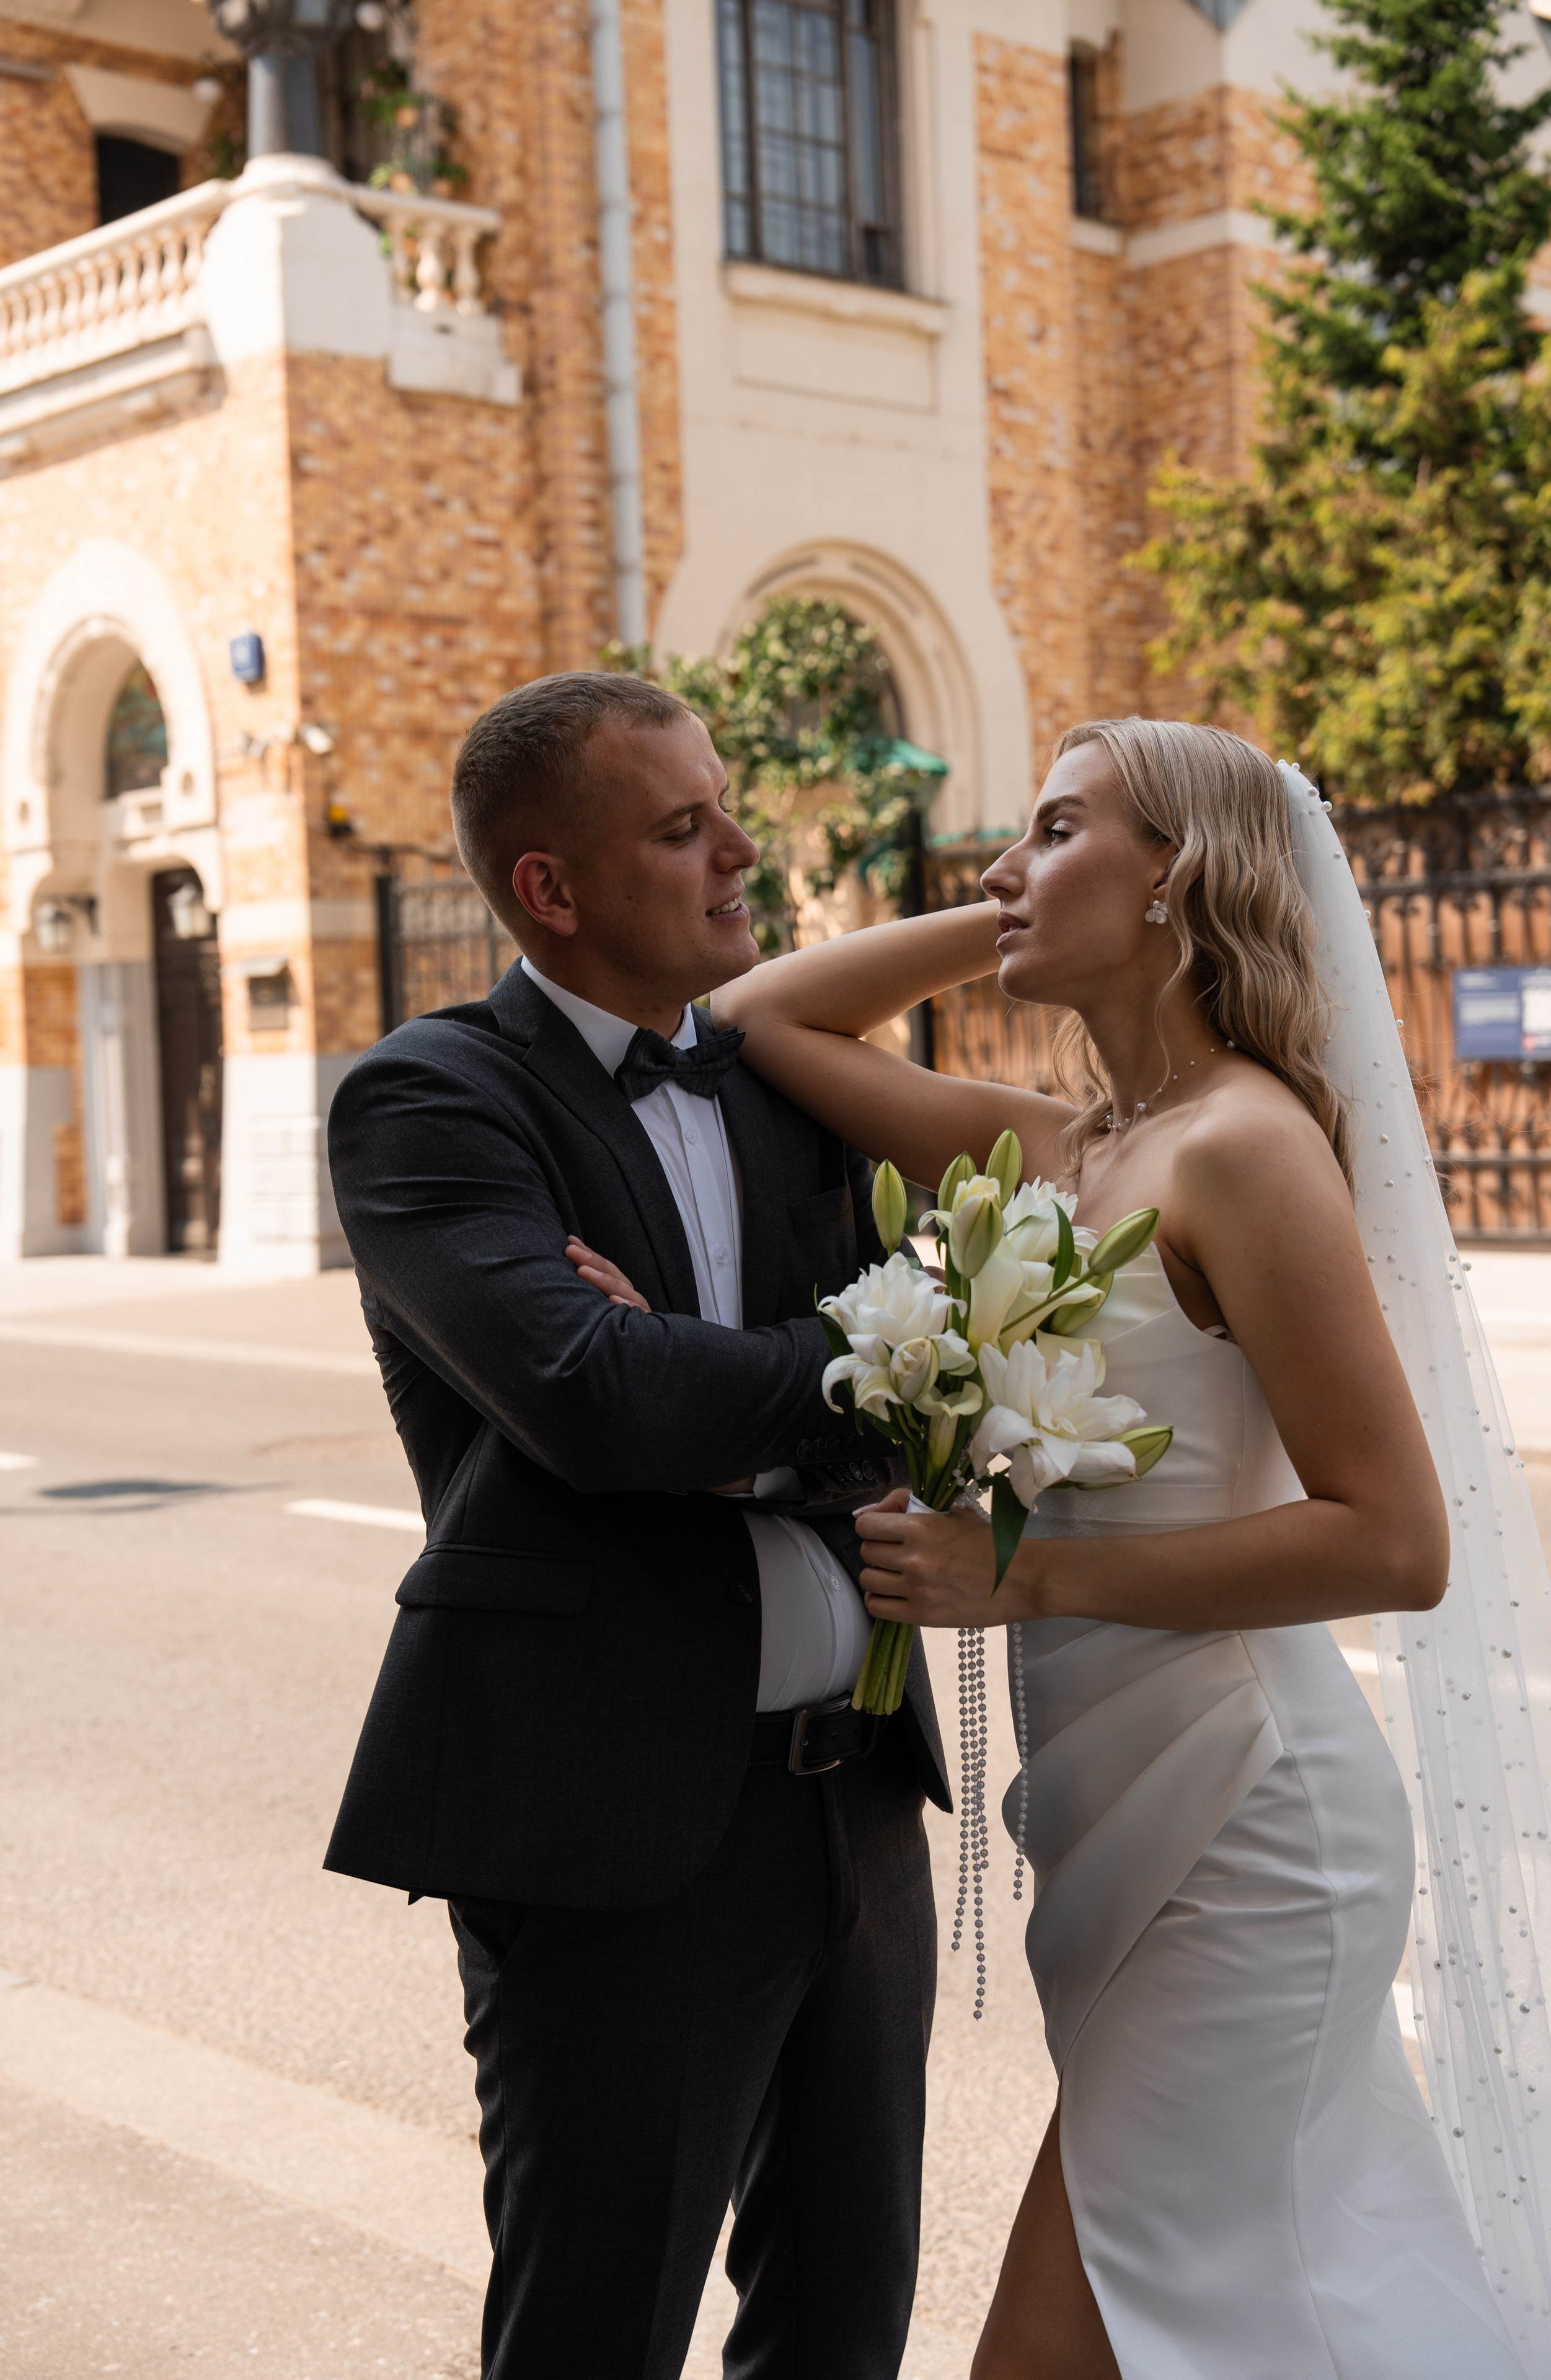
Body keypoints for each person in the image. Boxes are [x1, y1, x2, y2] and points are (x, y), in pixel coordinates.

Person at [703, 717, 1531, 2378]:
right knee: (1250, 2316)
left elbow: (1395, 1540)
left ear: (1180, 877)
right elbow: (755, 1016)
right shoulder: (1061, 1157)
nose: (1008, 865)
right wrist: (1015, 905)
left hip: (1248, 1821)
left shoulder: (1244, 1146)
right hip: (1114, 1799)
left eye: (1060, 828)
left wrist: (1035, 1577)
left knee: (1082, 2340)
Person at [321, 671, 948, 2380]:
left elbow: (938, 1377)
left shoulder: (783, 1084)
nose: (740, 849)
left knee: (843, 2327)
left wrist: (715, 1394)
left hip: (856, 1800)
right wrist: (766, 1392)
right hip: (612, 1832)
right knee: (596, 2329)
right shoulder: (430, 1101)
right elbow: (596, 1402)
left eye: (723, 806)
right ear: (552, 888)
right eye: (683, 827)